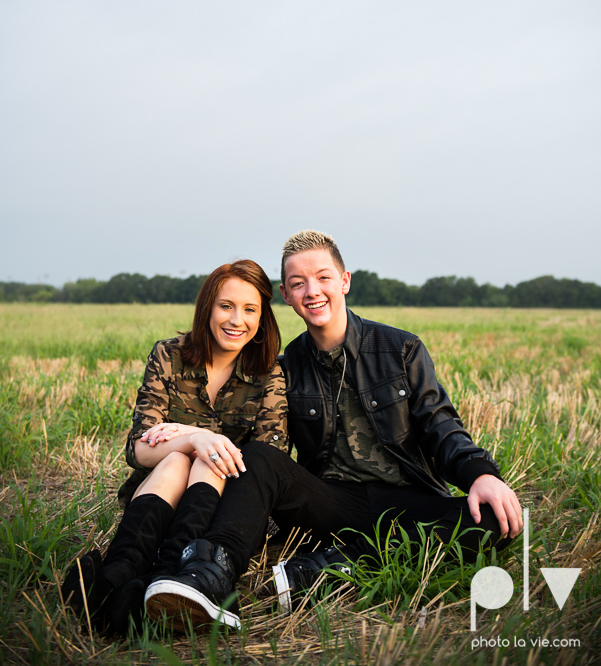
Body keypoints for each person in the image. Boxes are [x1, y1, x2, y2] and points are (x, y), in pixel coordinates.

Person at [144, 230, 523, 629]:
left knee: (499, 520)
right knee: (259, 457)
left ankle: (323, 570)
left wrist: (480, 473)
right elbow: (252, 442)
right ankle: (210, 576)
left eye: (323, 277)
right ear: (287, 296)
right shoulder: (287, 364)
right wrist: (183, 434)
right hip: (329, 503)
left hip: (406, 501)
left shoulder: (401, 349)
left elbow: (440, 425)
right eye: (297, 283)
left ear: (344, 281)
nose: (312, 291)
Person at [60, 259, 287, 635]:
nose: (236, 320)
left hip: (225, 504)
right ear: (207, 308)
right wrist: (194, 438)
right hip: (163, 490)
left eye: (250, 309)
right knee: (175, 461)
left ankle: (166, 580)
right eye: (226, 306)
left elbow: (266, 462)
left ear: (263, 318)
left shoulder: (269, 373)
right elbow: (138, 449)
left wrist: (196, 440)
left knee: (207, 460)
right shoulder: (169, 355)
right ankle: (117, 580)